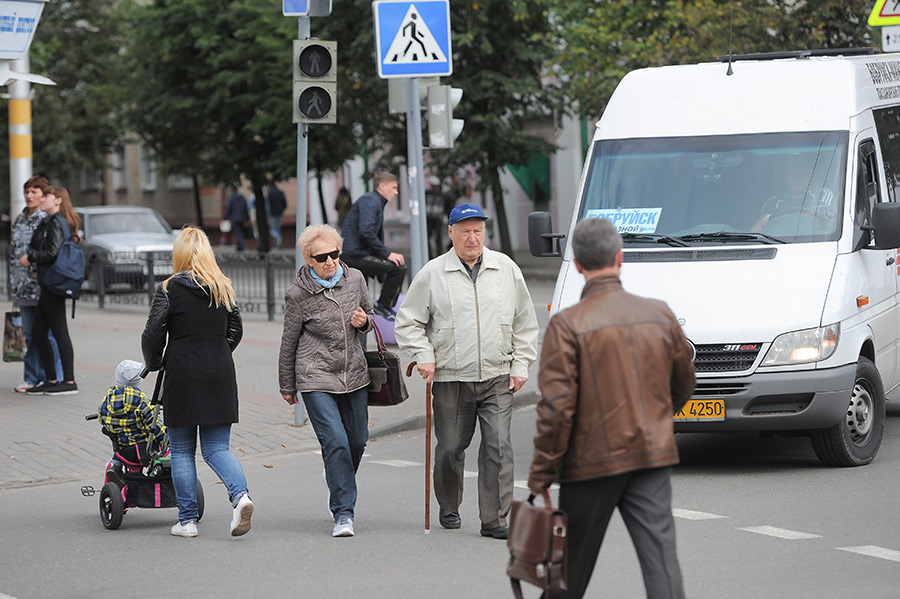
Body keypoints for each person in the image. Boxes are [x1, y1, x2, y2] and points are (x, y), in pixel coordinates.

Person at [527, 217, 696, 599]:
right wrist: (656, 418)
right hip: (651, 455)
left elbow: (556, 408)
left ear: (580, 264)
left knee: (568, 573)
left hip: (590, 463)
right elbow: (684, 383)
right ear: (620, 258)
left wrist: (541, 473)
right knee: (662, 565)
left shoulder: (567, 324)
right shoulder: (659, 313)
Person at [395, 203, 539, 540]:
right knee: (450, 447)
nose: (472, 238)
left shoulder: (506, 269)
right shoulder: (433, 273)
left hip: (497, 376)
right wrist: (424, 355)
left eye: (477, 230)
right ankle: (448, 502)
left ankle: (494, 519)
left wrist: (520, 365)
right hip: (450, 378)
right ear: (451, 233)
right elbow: (408, 321)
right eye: (464, 231)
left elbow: (525, 322)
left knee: (498, 446)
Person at [142, 226, 254, 539]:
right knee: (218, 448)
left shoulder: (168, 288)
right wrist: (217, 353)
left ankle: (187, 521)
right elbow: (236, 331)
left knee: (181, 451)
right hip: (219, 373)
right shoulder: (223, 287)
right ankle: (240, 496)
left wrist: (154, 363)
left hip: (181, 374)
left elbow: (152, 334)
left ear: (179, 254)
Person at [278, 224, 374, 538]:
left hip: (354, 373)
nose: (330, 261)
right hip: (315, 376)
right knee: (335, 440)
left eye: (334, 254)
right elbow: (288, 342)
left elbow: (369, 316)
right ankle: (343, 514)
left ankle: (335, 473)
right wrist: (287, 385)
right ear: (308, 259)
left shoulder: (356, 278)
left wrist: (364, 322)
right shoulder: (298, 294)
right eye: (322, 257)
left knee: (357, 441)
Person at [21, 186, 79, 396]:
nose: (42, 199)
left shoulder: (57, 222)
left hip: (53, 285)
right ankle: (52, 379)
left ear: (57, 201)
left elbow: (52, 252)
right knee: (38, 332)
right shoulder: (53, 222)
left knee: (59, 331)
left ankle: (69, 381)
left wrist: (32, 258)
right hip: (49, 283)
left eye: (46, 196)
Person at [9, 175, 62, 392]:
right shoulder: (21, 217)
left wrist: (35, 268)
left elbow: (49, 250)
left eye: (34, 192)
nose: (29, 196)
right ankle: (31, 378)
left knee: (46, 334)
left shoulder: (45, 218)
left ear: (44, 195)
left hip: (40, 285)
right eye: (27, 191)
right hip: (21, 286)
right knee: (28, 334)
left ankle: (52, 376)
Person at [340, 172, 407, 321]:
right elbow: (366, 231)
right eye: (394, 187)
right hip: (354, 255)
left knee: (360, 306)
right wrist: (387, 254)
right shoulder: (370, 200)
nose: (396, 192)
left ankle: (359, 342)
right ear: (382, 186)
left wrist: (382, 276)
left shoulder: (375, 201)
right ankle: (383, 305)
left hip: (359, 254)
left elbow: (371, 237)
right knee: (398, 267)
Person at [98, 359, 165, 471]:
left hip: (123, 450)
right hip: (144, 450)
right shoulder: (142, 403)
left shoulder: (107, 400)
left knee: (119, 444)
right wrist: (165, 439)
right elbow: (155, 427)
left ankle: (115, 467)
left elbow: (102, 419)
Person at [267, 182, 287, 248]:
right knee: (278, 228)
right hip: (280, 212)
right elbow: (284, 203)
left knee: (272, 228)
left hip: (272, 213)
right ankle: (276, 245)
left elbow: (268, 205)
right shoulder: (281, 192)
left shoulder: (270, 193)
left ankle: (277, 238)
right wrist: (282, 209)